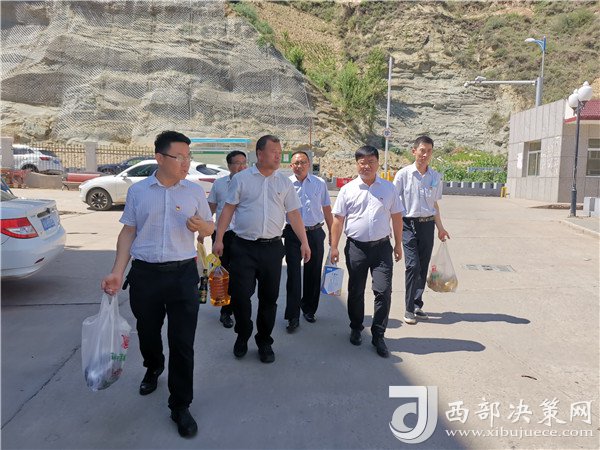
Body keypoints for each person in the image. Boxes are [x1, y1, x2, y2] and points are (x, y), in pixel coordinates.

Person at [101, 131, 214, 438]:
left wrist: (203, 227)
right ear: (160, 158)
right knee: (148, 332)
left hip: (183, 275)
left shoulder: (194, 191)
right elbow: (128, 232)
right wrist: (117, 271)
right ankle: (153, 366)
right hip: (145, 276)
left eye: (189, 157)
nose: (186, 163)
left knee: (182, 342)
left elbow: (209, 227)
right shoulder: (139, 192)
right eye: (180, 157)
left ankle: (180, 404)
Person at [212, 135, 311, 363]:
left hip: (272, 249)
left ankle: (264, 341)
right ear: (259, 154)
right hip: (243, 247)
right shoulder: (242, 179)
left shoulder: (284, 182)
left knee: (269, 298)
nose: (278, 156)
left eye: (280, 152)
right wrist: (219, 239)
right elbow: (228, 210)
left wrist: (304, 242)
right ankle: (242, 334)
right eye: (274, 151)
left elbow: (294, 214)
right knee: (240, 296)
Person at [330, 145, 404, 358]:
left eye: (371, 162)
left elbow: (397, 217)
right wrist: (334, 247)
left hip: (382, 248)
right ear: (356, 164)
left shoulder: (389, 189)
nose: (366, 166)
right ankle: (356, 326)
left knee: (383, 291)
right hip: (356, 248)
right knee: (356, 290)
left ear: (377, 163)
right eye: (362, 162)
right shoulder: (348, 190)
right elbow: (338, 220)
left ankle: (378, 334)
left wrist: (398, 244)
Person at [393, 135, 450, 325]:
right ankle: (409, 308)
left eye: (429, 151)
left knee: (423, 266)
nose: (425, 155)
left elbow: (434, 205)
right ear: (414, 151)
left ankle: (417, 304)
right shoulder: (403, 175)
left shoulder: (435, 177)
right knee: (413, 265)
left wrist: (440, 228)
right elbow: (393, 203)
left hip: (427, 225)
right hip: (408, 224)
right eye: (422, 151)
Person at [283, 150, 333, 333]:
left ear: (309, 164)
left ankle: (309, 309)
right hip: (293, 234)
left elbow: (327, 209)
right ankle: (293, 316)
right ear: (291, 166)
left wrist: (333, 234)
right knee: (294, 275)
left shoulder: (319, 183)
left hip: (315, 233)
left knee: (313, 273)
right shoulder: (286, 184)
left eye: (303, 162)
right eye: (296, 163)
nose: (299, 166)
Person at [207, 150, 248, 329]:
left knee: (241, 274)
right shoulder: (219, 184)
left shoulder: (251, 183)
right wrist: (204, 230)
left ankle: (239, 307)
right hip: (223, 235)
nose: (241, 166)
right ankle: (225, 311)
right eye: (237, 163)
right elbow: (210, 208)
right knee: (222, 274)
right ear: (229, 165)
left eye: (244, 162)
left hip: (243, 236)